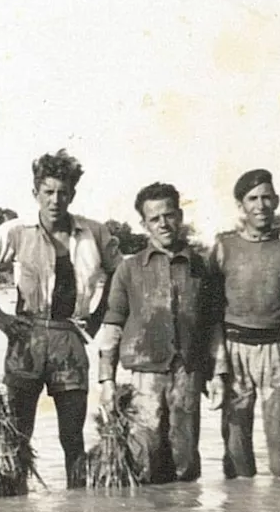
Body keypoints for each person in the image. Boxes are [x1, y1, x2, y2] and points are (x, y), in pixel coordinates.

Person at [0, 149, 120, 489]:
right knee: (18, 435)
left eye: (63, 192)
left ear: (73, 193)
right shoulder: (17, 232)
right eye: (48, 191)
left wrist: (98, 316)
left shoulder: (93, 233)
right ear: (35, 193)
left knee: (72, 437)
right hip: (26, 337)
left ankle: (77, 511)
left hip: (70, 338)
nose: (56, 200)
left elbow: (120, 275)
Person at [96, 182, 225, 484]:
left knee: (186, 460)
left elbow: (214, 324)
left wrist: (219, 373)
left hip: (187, 374)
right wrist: (107, 381)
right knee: (145, 458)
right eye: (154, 219)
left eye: (169, 215)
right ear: (143, 224)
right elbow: (112, 326)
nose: (163, 224)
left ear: (180, 215)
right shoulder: (128, 270)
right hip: (144, 378)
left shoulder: (201, 266)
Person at [208, 169, 280, 479]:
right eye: (252, 199)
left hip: (279, 351)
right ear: (240, 205)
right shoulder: (223, 247)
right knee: (236, 454)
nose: (260, 205)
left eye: (267, 197)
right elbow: (211, 313)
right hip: (234, 352)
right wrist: (217, 369)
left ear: (276, 201)